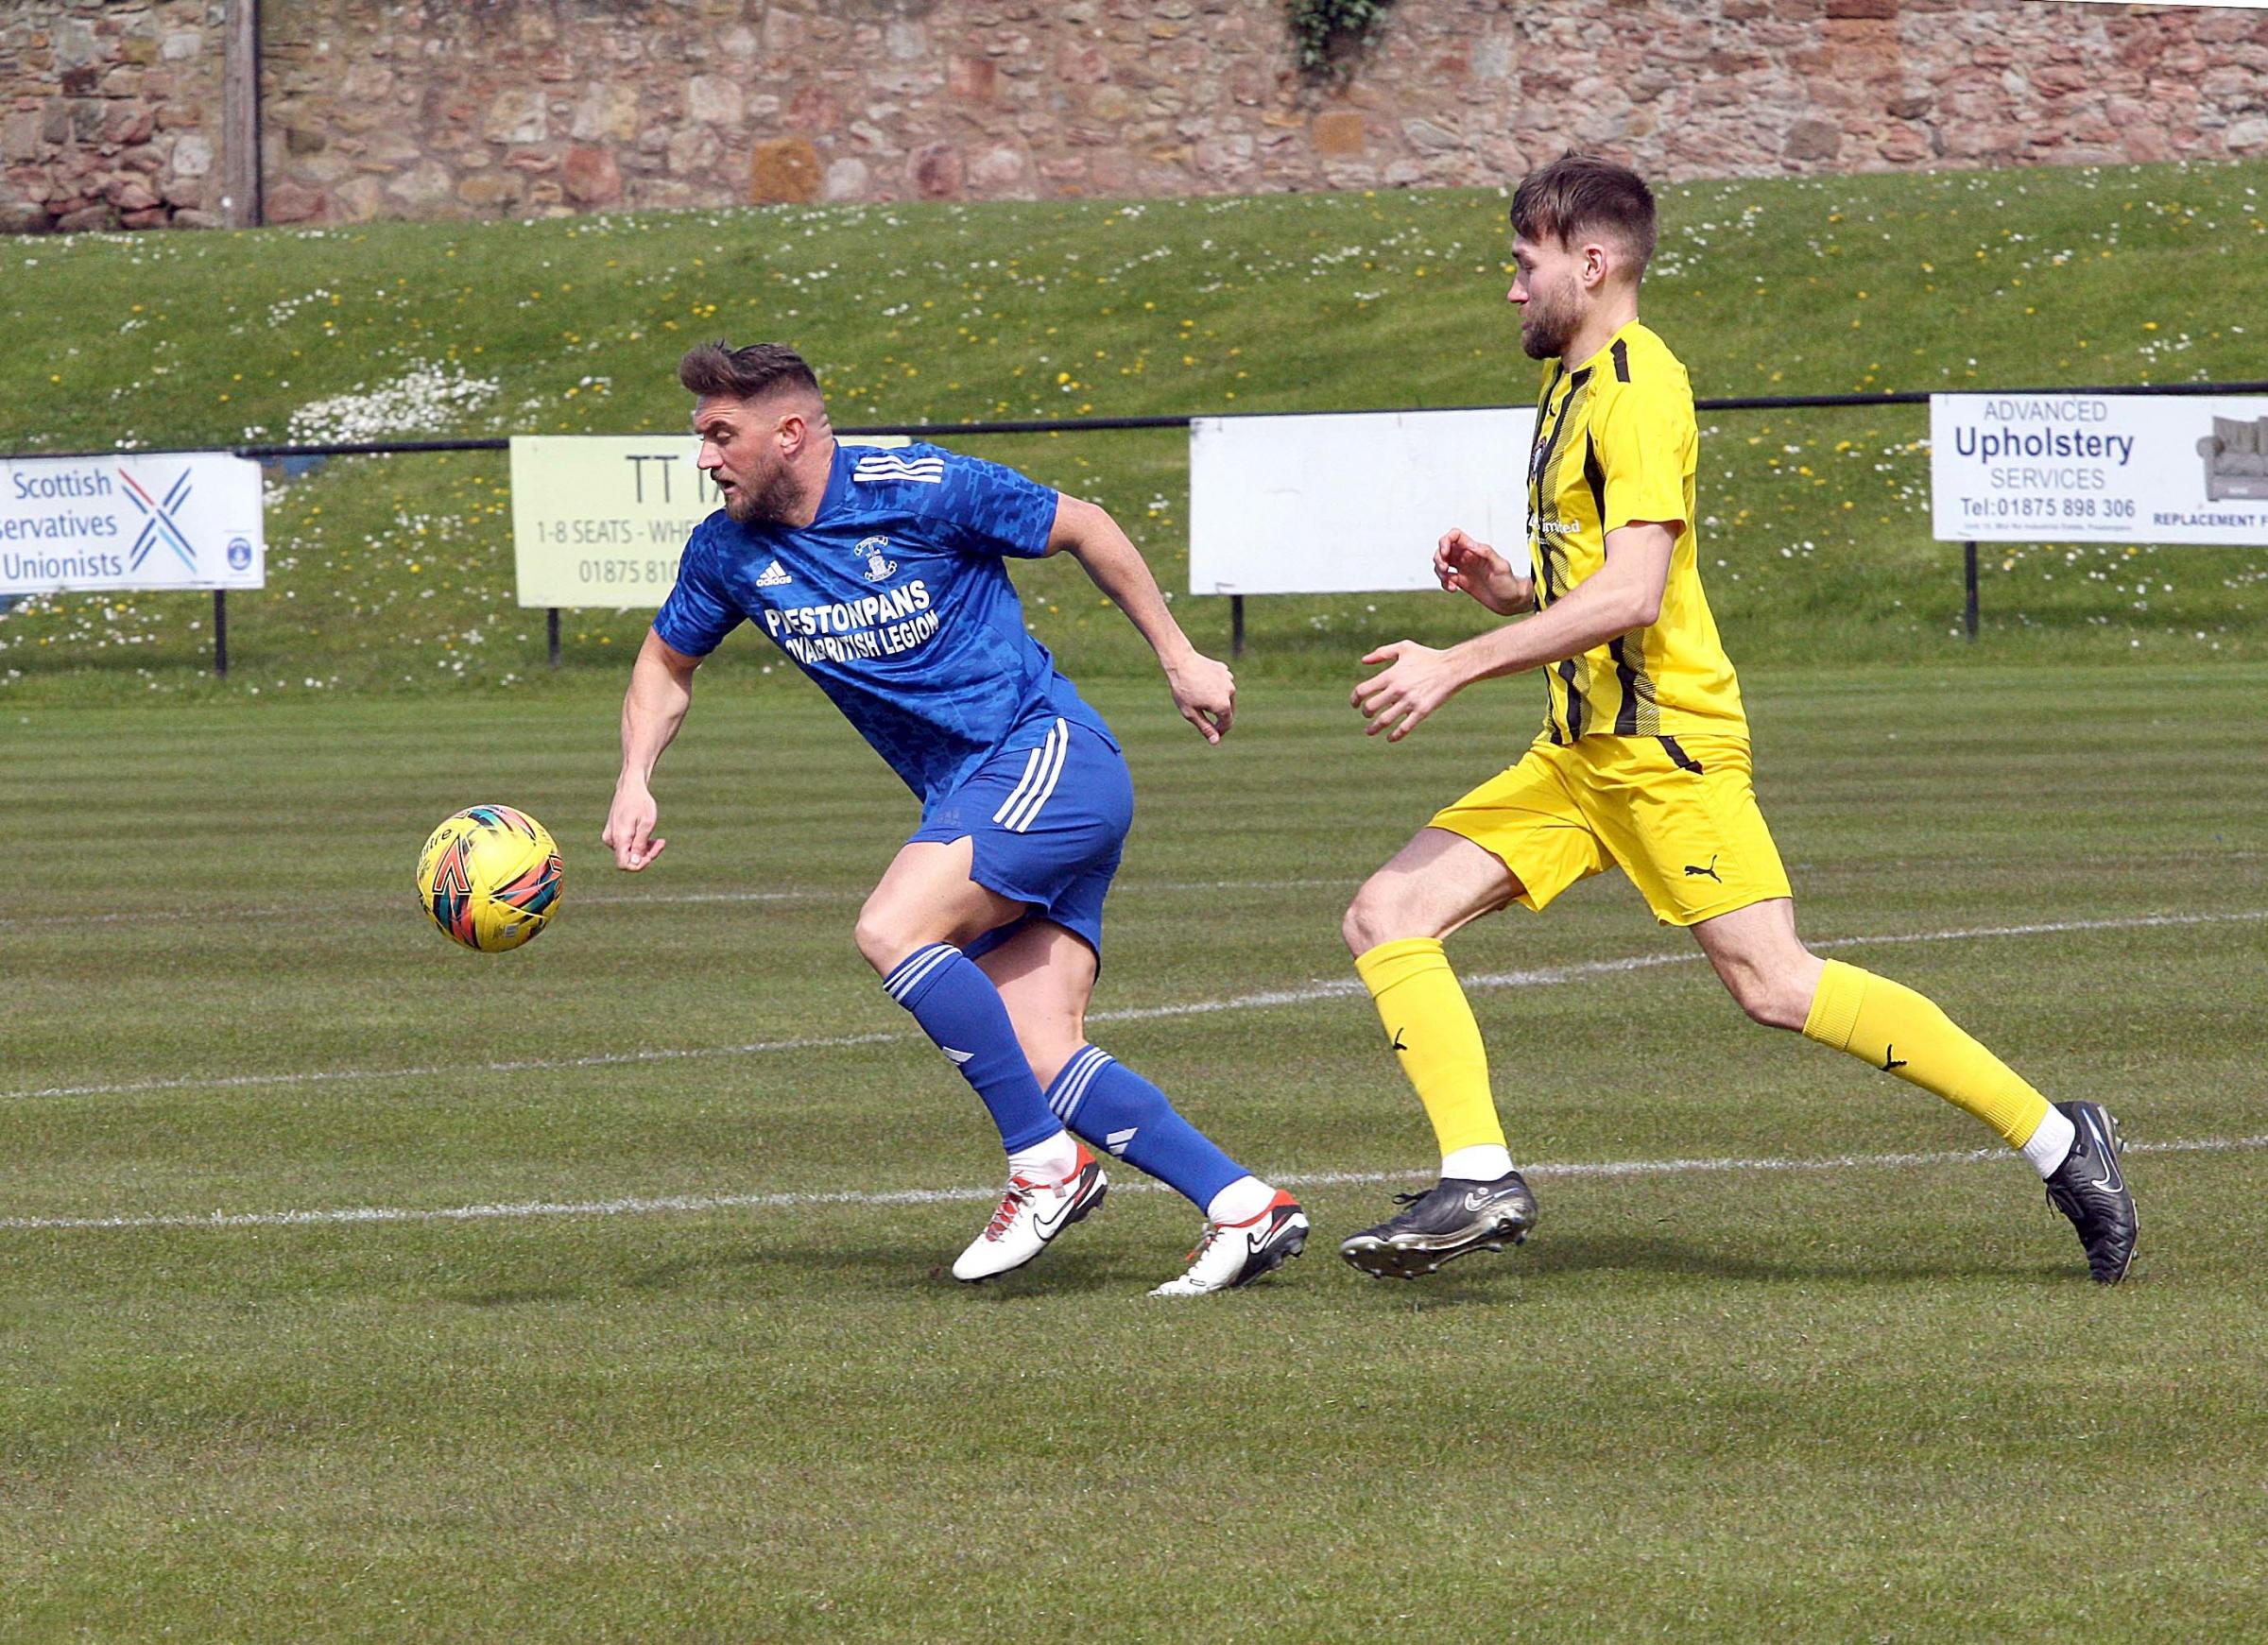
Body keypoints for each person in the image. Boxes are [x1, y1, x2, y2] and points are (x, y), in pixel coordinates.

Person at [1335, 154, 2137, 1285]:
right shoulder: (1568, 388)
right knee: (1386, 913)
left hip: (1668, 751)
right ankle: (1478, 1175)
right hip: (1576, 757)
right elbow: (1594, 593)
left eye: (1526, 265)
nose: (1513, 289)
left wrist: (1458, 662)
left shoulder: (1639, 386)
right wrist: (1512, 592)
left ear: (1592, 261)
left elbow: (1636, 595)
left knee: (1774, 983)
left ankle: (2063, 1140)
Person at [603, 341, 1308, 1296]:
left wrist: (1180, 657)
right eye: (701, 438)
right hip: (982, 793)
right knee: (1038, 1046)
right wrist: (635, 774)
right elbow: (663, 663)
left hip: (1044, 754)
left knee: (892, 926)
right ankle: (1242, 1206)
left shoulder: (920, 485)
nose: (706, 459)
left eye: (722, 436)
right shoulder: (726, 551)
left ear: (792, 432)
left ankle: (1044, 1166)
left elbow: (1086, 526)